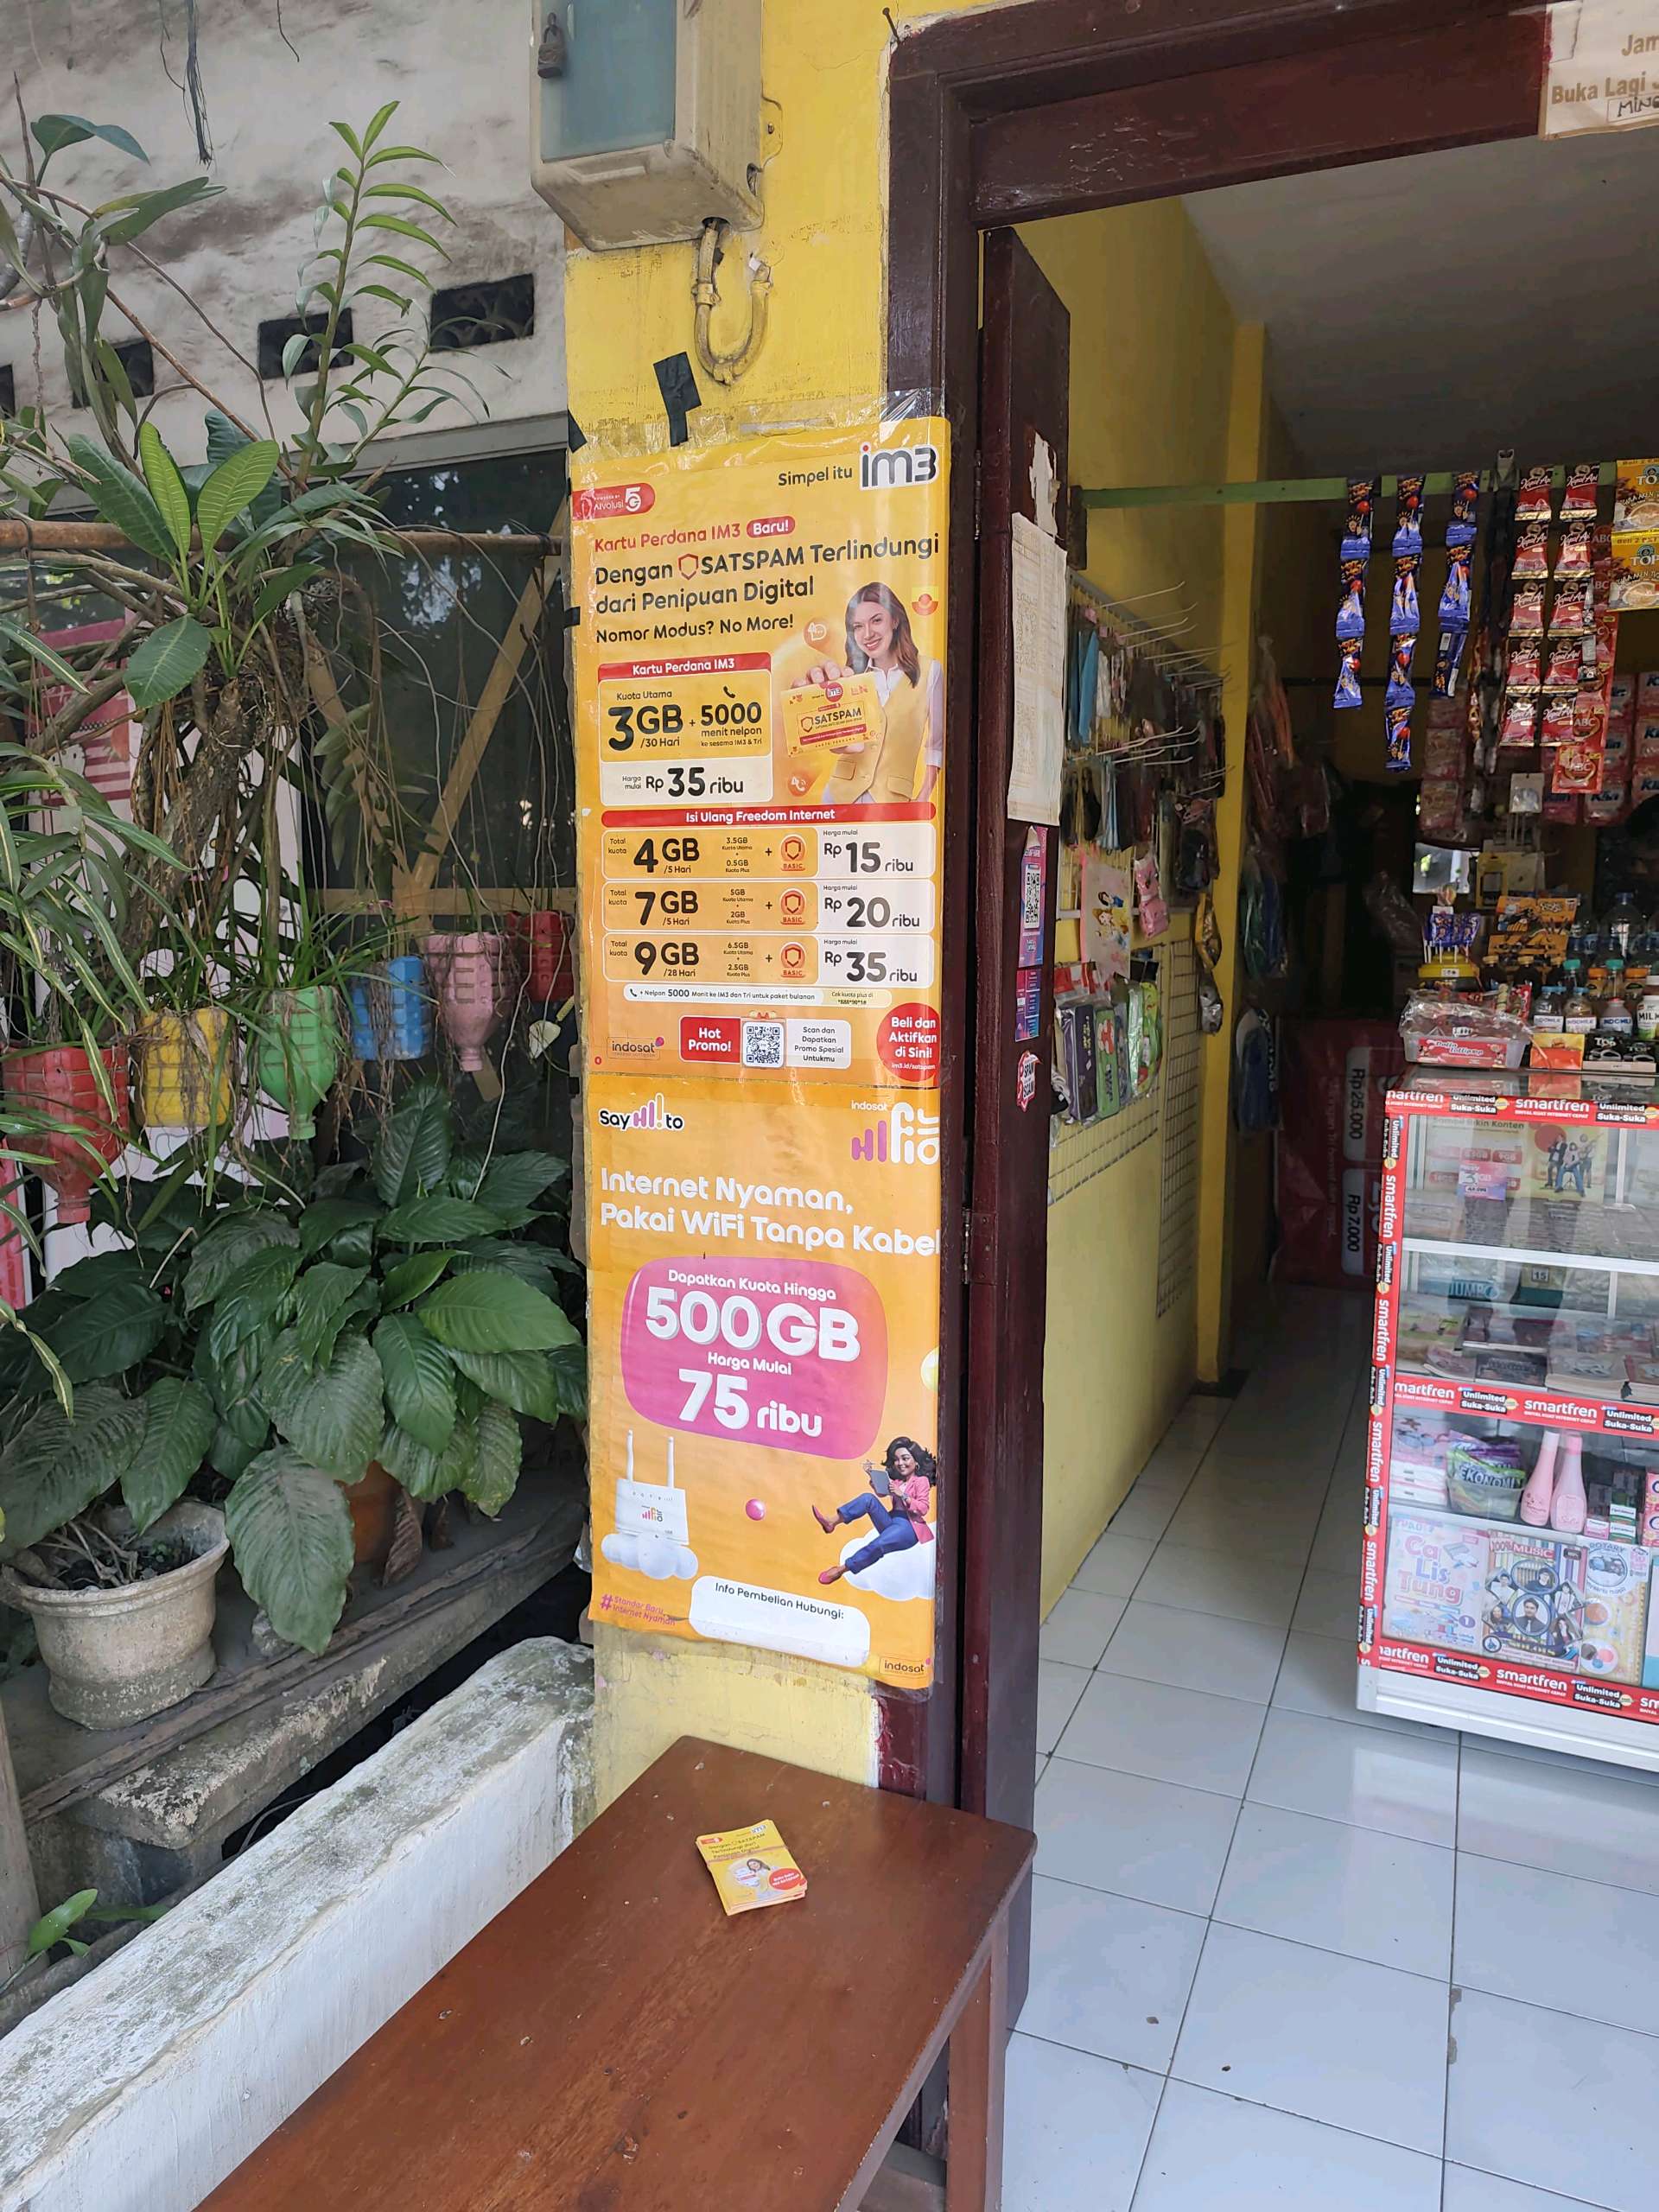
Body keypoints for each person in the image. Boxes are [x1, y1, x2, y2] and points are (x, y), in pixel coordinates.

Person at [793, 582, 944, 805]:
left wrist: (923, 798)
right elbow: (840, 744)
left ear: (895, 620)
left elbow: (936, 744)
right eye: (858, 626)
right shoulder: (849, 676)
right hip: (840, 797)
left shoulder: (930, 671)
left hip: (892, 800)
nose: (868, 634)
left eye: (876, 620)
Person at [811, 1437, 938, 1585]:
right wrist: (872, 1476)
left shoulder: (921, 1481)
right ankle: (831, 1522)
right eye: (896, 1460)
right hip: (892, 1521)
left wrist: (902, 1495)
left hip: (909, 1528)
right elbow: (882, 1493)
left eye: (905, 1458)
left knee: (878, 1544)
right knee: (868, 1499)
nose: (900, 1463)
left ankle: (842, 1569)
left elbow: (923, 1508)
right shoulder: (898, 1481)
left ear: (916, 1461)